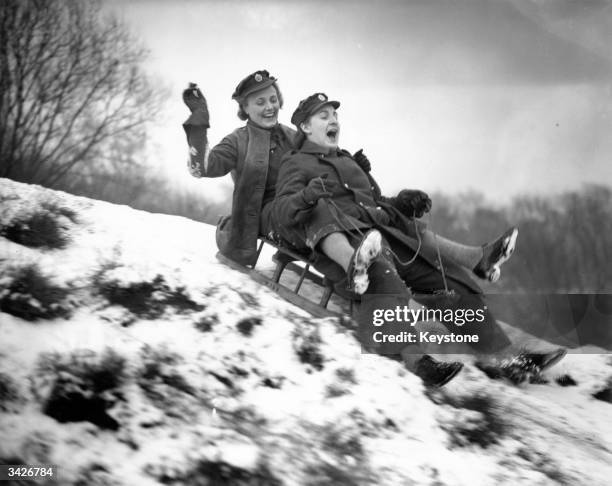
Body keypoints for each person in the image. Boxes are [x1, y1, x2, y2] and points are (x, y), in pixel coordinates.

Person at [272, 92, 565, 386]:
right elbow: (282, 211)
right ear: (306, 128)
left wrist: (402, 202)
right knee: (385, 279)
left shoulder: (348, 161)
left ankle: (507, 358)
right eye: (323, 116)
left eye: (335, 115)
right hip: (346, 242)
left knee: (448, 284)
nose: (333, 120)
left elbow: (374, 202)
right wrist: (308, 196)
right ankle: (415, 361)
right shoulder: (295, 164)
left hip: (384, 235)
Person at [182, 70, 297, 266]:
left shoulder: (292, 136)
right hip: (262, 217)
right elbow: (202, 168)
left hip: (297, 207)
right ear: (245, 108)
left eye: (273, 99)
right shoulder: (237, 141)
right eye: (260, 103)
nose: (270, 107)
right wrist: (199, 119)